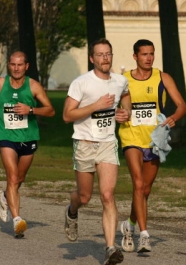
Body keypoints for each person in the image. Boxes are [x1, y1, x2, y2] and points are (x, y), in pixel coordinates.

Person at [63, 38, 131, 265]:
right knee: (84, 196)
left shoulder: (120, 81)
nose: (105, 58)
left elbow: (126, 97)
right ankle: (72, 211)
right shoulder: (81, 83)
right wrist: (96, 106)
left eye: (108, 54)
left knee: (108, 195)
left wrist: (125, 112)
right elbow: (67, 115)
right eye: (100, 55)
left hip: (107, 144)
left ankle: (111, 248)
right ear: (92, 58)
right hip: (83, 143)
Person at [118, 39, 186, 253]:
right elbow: (112, 106)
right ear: (135, 56)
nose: (148, 58)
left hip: (154, 139)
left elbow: (182, 106)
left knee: (145, 190)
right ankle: (144, 236)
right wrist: (118, 115)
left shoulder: (162, 77)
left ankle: (129, 225)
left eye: (151, 54)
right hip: (130, 137)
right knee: (138, 184)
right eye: (144, 54)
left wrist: (173, 117)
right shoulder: (123, 80)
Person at [0, 51, 55, 238]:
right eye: (12, 64)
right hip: (6, 136)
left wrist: (31, 109)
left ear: (26, 66)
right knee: (12, 177)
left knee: (19, 179)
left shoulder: (34, 86)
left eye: (20, 65)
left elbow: (51, 110)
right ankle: (17, 220)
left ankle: (5, 196)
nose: (16, 68)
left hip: (28, 137)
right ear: (8, 65)